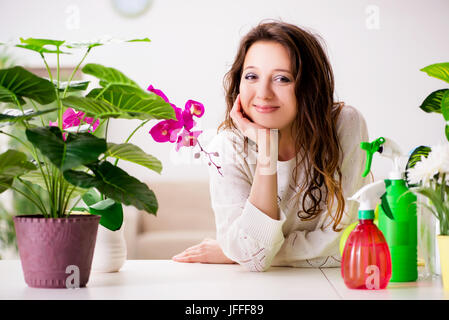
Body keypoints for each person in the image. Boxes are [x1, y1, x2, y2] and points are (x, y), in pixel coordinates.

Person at [172, 20, 369, 271]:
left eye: (282, 78)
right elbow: (255, 259)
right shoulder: (226, 147)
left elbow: (344, 239)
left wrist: (240, 251)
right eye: (252, 76)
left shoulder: (344, 125)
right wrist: (266, 148)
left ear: (309, 86)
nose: (263, 93)